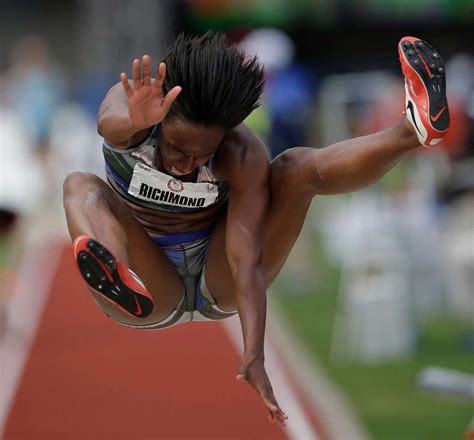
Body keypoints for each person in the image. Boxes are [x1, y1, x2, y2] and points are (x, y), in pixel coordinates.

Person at [63, 33, 449, 427]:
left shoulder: (241, 152)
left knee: (295, 167)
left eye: (202, 154)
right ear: (161, 121)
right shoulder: (131, 107)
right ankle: (116, 273)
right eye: (178, 149)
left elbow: (244, 259)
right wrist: (136, 121)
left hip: (218, 279)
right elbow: (109, 124)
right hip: (151, 286)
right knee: (81, 186)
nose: (186, 164)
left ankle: (410, 131)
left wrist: (255, 353)